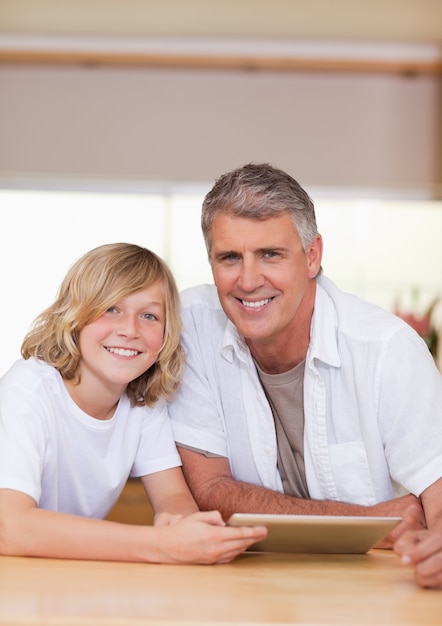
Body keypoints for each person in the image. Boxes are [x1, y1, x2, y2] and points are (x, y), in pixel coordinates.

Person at [167, 163, 442, 576]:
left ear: (312, 256)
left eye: (270, 254)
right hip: (245, 586)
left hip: (376, 588)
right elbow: (211, 491)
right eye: (229, 258)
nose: (248, 279)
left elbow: (437, 492)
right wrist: (367, 521)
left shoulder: (387, 349)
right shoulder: (191, 329)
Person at [0, 242, 266, 564]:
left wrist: (186, 528)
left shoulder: (142, 402)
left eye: (149, 315)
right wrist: (161, 544)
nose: (130, 330)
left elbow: (172, 497)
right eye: (111, 309)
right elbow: (9, 527)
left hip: (54, 577)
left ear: (166, 335)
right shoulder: (27, 391)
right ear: (74, 317)